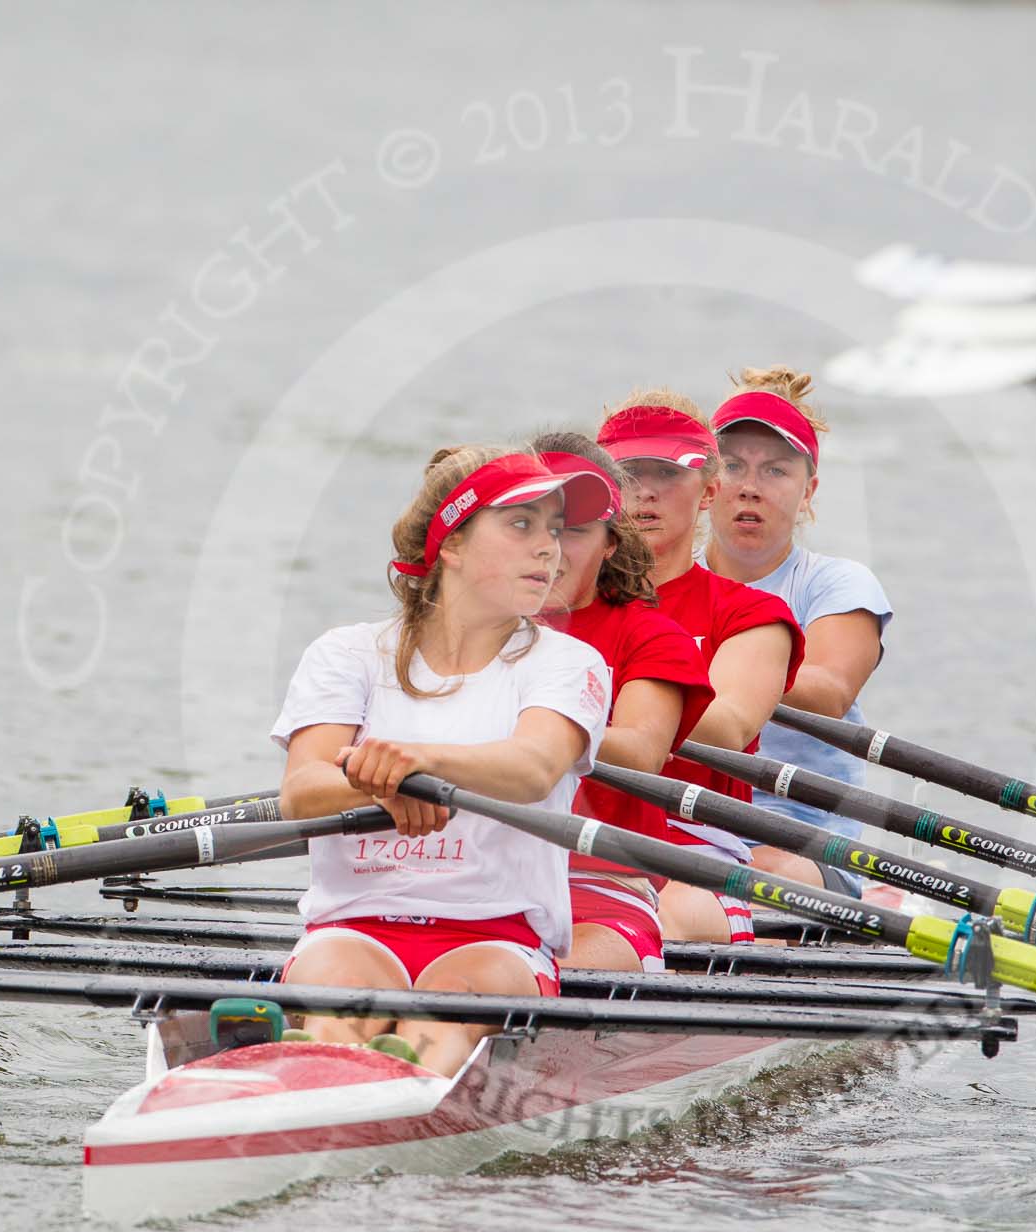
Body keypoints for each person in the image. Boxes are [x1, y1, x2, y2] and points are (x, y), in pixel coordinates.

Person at [273, 446, 616, 1076]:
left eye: (555, 529)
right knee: (334, 1010)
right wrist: (385, 786)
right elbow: (302, 791)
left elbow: (534, 766)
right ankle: (324, 1074)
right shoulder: (346, 654)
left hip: (496, 935)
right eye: (521, 524)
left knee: (440, 1024)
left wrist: (415, 765)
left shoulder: (568, 663)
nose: (550, 548)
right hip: (353, 925)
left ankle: (385, 1084)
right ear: (451, 545)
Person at [596, 390, 803, 944]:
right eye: (624, 472)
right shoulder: (553, 604)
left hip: (693, 848)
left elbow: (733, 725)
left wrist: (577, 703)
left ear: (709, 490)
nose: (643, 491)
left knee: (657, 920)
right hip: (562, 835)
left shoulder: (751, 613)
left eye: (666, 473)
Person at [704, 367, 892, 899]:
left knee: (749, 878)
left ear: (808, 490)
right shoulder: (662, 584)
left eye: (775, 471)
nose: (749, 487)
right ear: (705, 485)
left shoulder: (836, 584)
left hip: (804, 841)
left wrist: (677, 670)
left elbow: (829, 692)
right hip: (685, 827)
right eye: (732, 466)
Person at [530, 433, 715, 973]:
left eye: (576, 532)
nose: (551, 548)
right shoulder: (465, 633)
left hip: (600, 878)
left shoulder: (651, 637)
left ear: (611, 542)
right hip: (471, 868)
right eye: (531, 525)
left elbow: (640, 751)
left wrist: (531, 736)